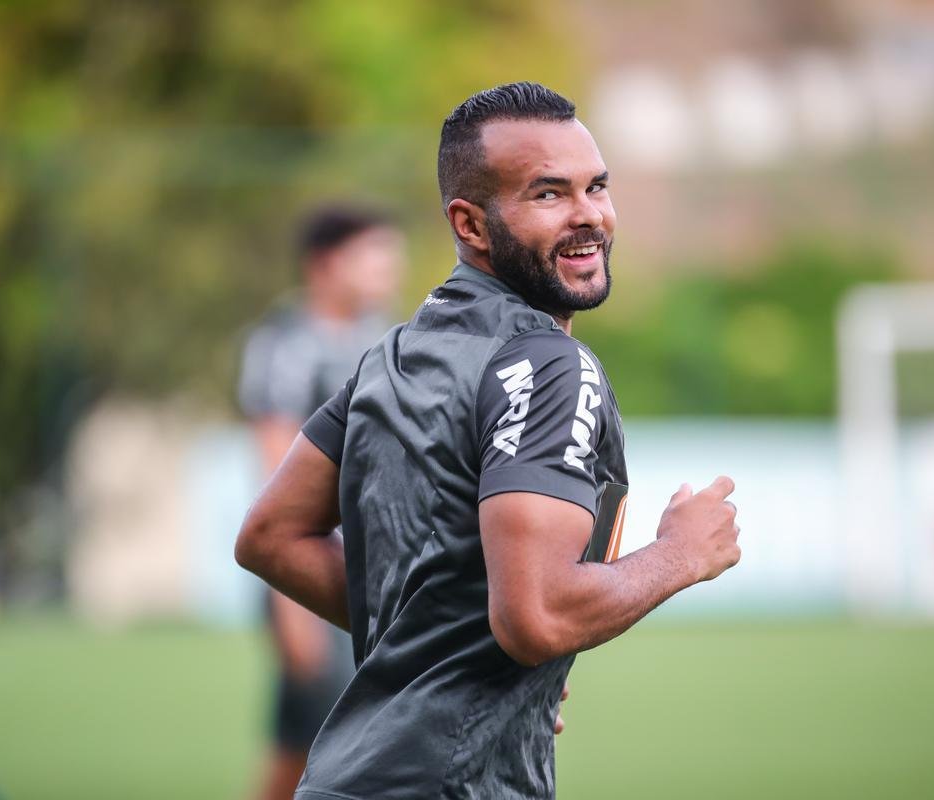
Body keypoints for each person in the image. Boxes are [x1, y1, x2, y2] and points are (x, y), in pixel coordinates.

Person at [235, 82, 741, 799]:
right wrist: (680, 555)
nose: (589, 216)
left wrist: (452, 652)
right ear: (470, 225)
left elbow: (269, 535)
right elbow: (535, 616)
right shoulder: (547, 362)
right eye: (548, 195)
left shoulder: (394, 353)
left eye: (597, 187)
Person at [236, 206, 405, 800]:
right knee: (314, 746)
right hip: (315, 567)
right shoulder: (287, 345)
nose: (391, 265)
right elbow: (273, 470)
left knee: (327, 743)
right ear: (326, 265)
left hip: (379, 570)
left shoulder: (388, 338)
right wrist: (291, 606)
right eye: (374, 253)